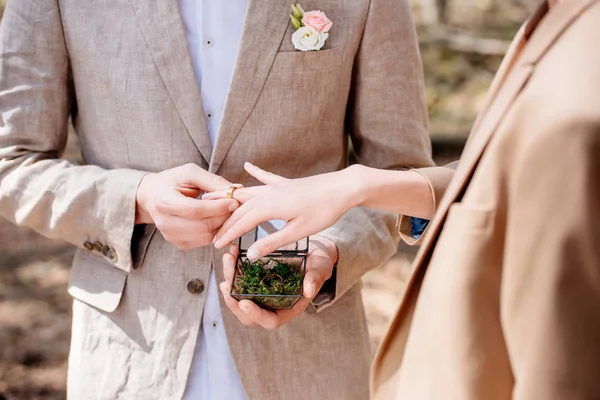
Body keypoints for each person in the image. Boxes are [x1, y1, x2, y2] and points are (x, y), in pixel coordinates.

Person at [0, 0, 433, 398]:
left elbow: (402, 177)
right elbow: (12, 163)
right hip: (129, 358)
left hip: (308, 361)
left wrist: (331, 251)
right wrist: (137, 199)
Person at [208, 0, 600, 398]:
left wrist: (348, 211)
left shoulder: (583, 46)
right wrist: (358, 184)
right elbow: (503, 172)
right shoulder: (553, 20)